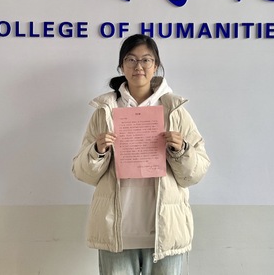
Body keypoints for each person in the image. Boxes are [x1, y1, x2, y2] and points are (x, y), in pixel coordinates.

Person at [72, 34, 210, 275]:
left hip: (166, 232)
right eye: (131, 59)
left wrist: (182, 150)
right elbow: (83, 173)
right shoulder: (105, 112)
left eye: (146, 60)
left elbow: (196, 173)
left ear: (156, 66)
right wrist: (97, 151)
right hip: (117, 232)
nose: (139, 66)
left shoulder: (175, 111)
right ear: (121, 66)